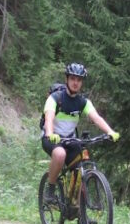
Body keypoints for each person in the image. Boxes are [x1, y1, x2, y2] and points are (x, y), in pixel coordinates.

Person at [41, 62, 119, 203]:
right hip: (51, 137)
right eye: (72, 79)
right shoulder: (55, 98)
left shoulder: (83, 102)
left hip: (70, 139)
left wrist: (110, 132)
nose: (75, 83)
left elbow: (96, 118)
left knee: (81, 168)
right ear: (67, 80)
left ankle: (78, 210)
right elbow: (49, 118)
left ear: (81, 82)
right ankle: (50, 188)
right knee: (60, 154)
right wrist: (51, 133)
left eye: (79, 80)